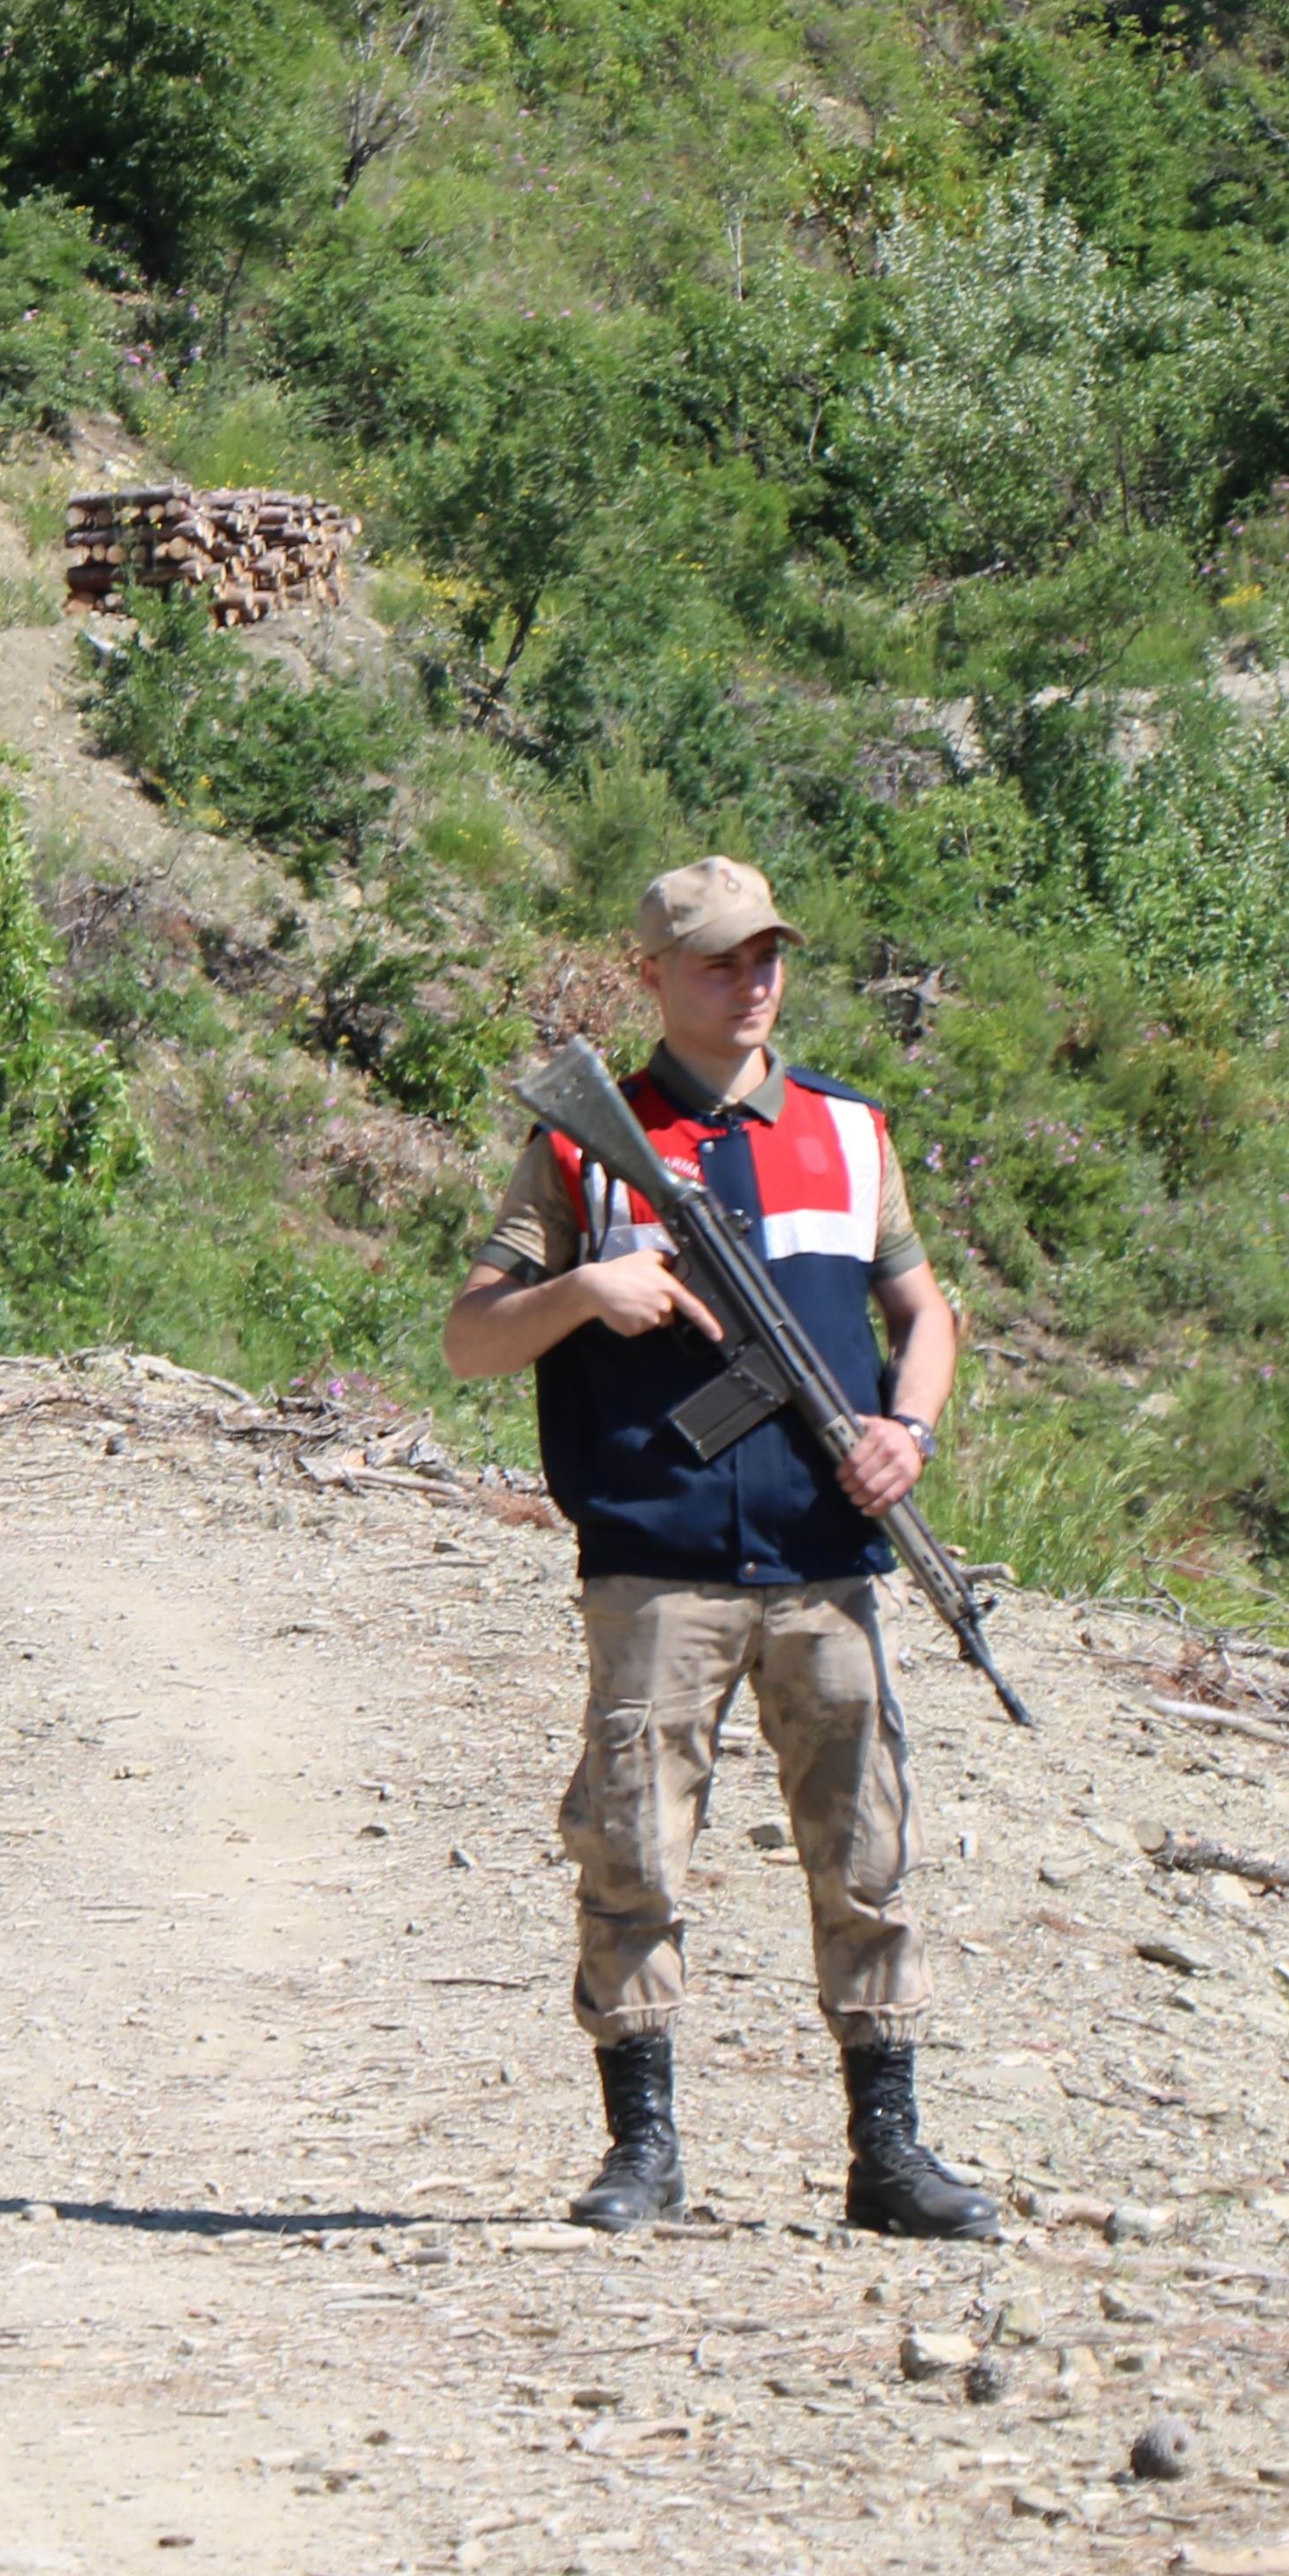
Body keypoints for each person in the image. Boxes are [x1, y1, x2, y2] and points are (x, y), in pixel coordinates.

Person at [443, 857, 997, 2244]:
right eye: (714, 963)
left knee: (867, 1856)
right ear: (651, 977)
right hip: (657, 1564)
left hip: (825, 1555)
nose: (749, 985)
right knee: (632, 1853)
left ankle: (890, 2155)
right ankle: (644, 2153)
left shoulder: (850, 1133)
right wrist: (585, 1288)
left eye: (766, 959)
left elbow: (930, 1315)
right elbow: (469, 1340)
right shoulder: (581, 1146)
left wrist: (906, 1433)